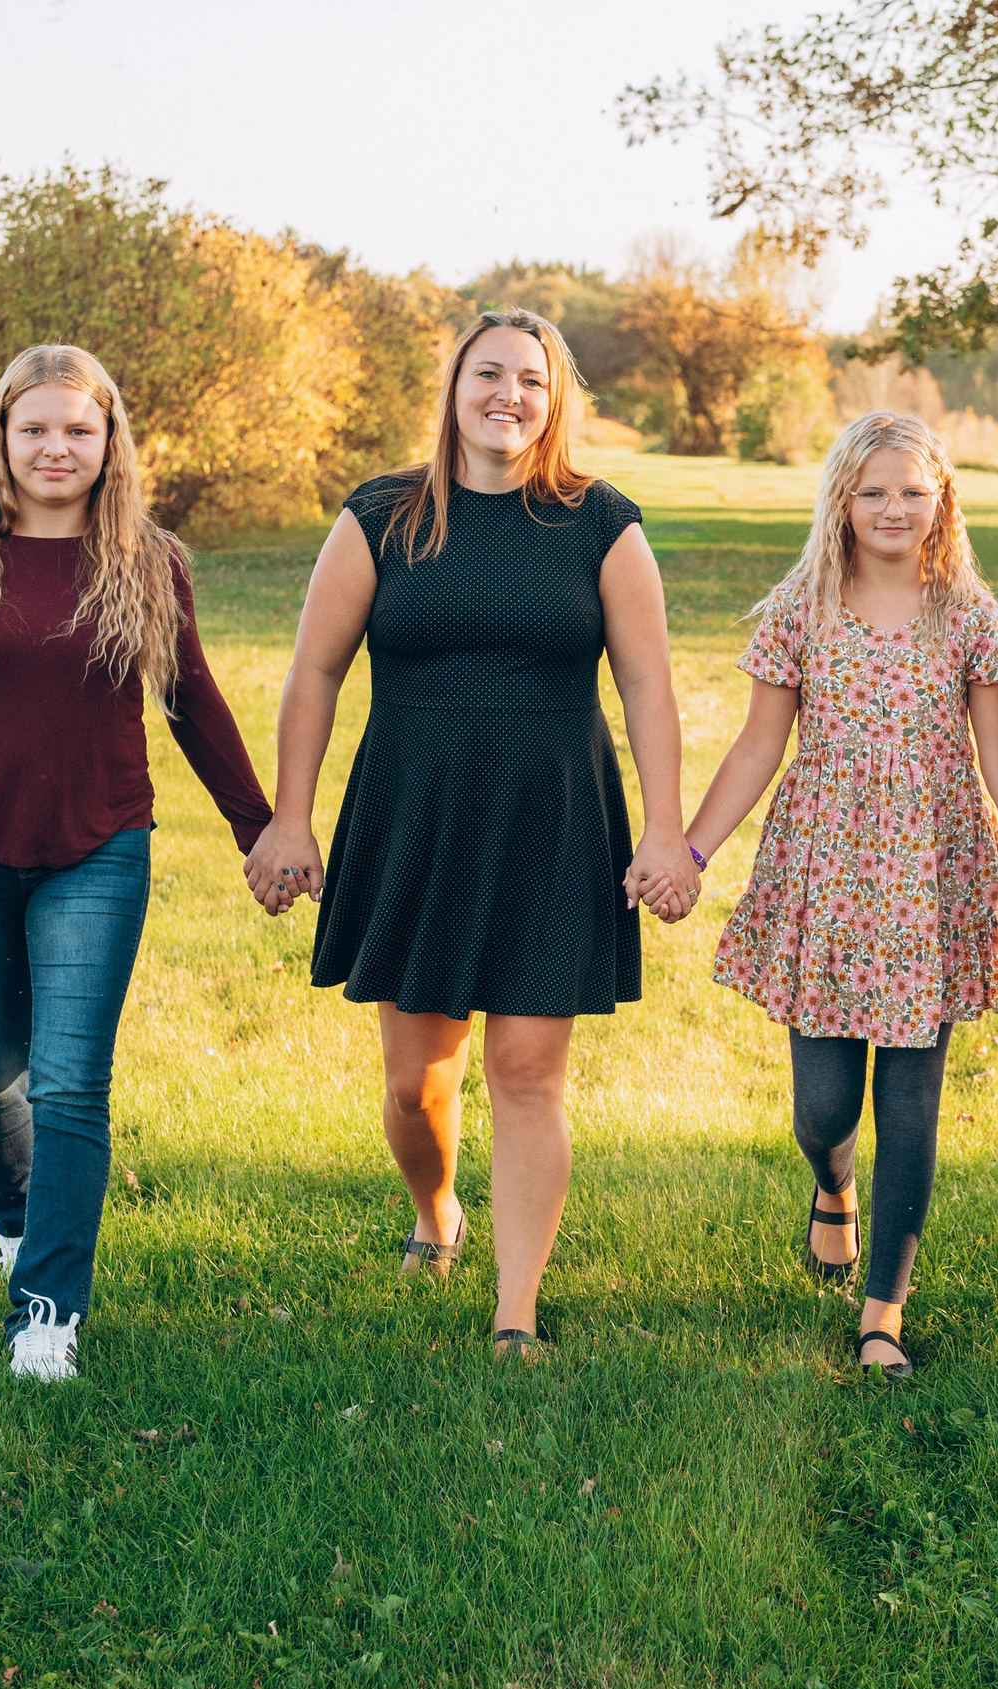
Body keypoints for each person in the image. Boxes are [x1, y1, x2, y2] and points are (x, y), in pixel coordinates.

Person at [244, 310, 699, 1360]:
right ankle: (435, 1208)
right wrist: (289, 817)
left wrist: (665, 829)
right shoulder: (381, 516)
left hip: (553, 815)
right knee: (416, 1078)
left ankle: (515, 1309)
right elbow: (316, 669)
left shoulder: (602, 522)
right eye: (488, 374)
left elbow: (647, 684)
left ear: (556, 397)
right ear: (452, 387)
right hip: (416, 812)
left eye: (530, 380)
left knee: (531, 1070)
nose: (509, 394)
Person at [0, 344, 272, 1384]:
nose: (57, 448)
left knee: (69, 1083)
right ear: (1, 435)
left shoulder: (147, 557)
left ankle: (47, 1309)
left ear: (110, 443)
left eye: (79, 430)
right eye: (36, 428)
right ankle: (13, 1221)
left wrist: (259, 827)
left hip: (100, 845)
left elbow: (193, 703)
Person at [688, 412, 998, 1376]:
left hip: (931, 876)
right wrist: (691, 850)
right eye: (874, 491)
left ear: (943, 503)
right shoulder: (801, 609)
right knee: (824, 1102)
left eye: (913, 492)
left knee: (913, 1103)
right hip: (825, 872)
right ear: (842, 502)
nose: (894, 508)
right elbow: (760, 745)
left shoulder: (971, 614)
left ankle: (882, 1310)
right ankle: (831, 1181)